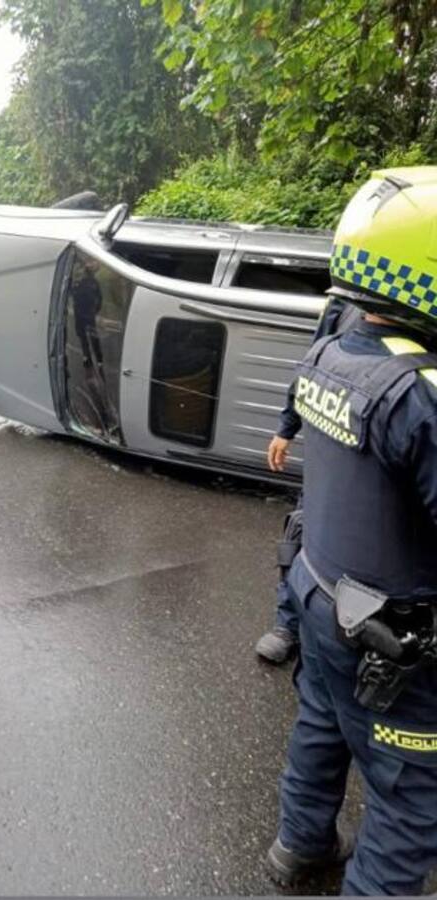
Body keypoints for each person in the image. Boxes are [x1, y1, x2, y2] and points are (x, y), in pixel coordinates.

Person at [267, 168, 437, 895]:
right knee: (411, 803)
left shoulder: (330, 351)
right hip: (392, 634)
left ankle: (300, 846)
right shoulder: (421, 393)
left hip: (320, 594)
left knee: (323, 725)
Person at [255, 296, 360, 664]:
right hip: (335, 446)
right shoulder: (347, 302)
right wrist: (286, 426)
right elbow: (312, 365)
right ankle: (287, 623)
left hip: (398, 454)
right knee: (304, 530)